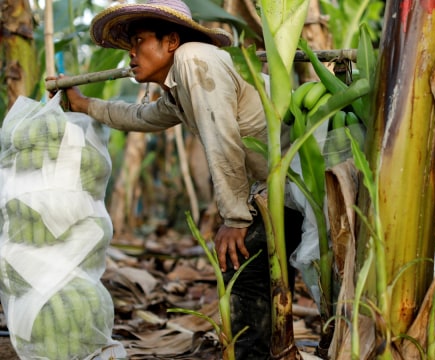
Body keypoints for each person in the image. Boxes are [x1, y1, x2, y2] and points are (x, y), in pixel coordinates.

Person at [49, 0, 308, 359]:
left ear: (170, 40)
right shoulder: (179, 88)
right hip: (279, 186)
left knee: (246, 265)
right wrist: (84, 104)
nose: (132, 54)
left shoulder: (194, 60)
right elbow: (140, 116)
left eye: (139, 41)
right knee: (263, 270)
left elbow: (223, 137)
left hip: (302, 176)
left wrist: (235, 218)